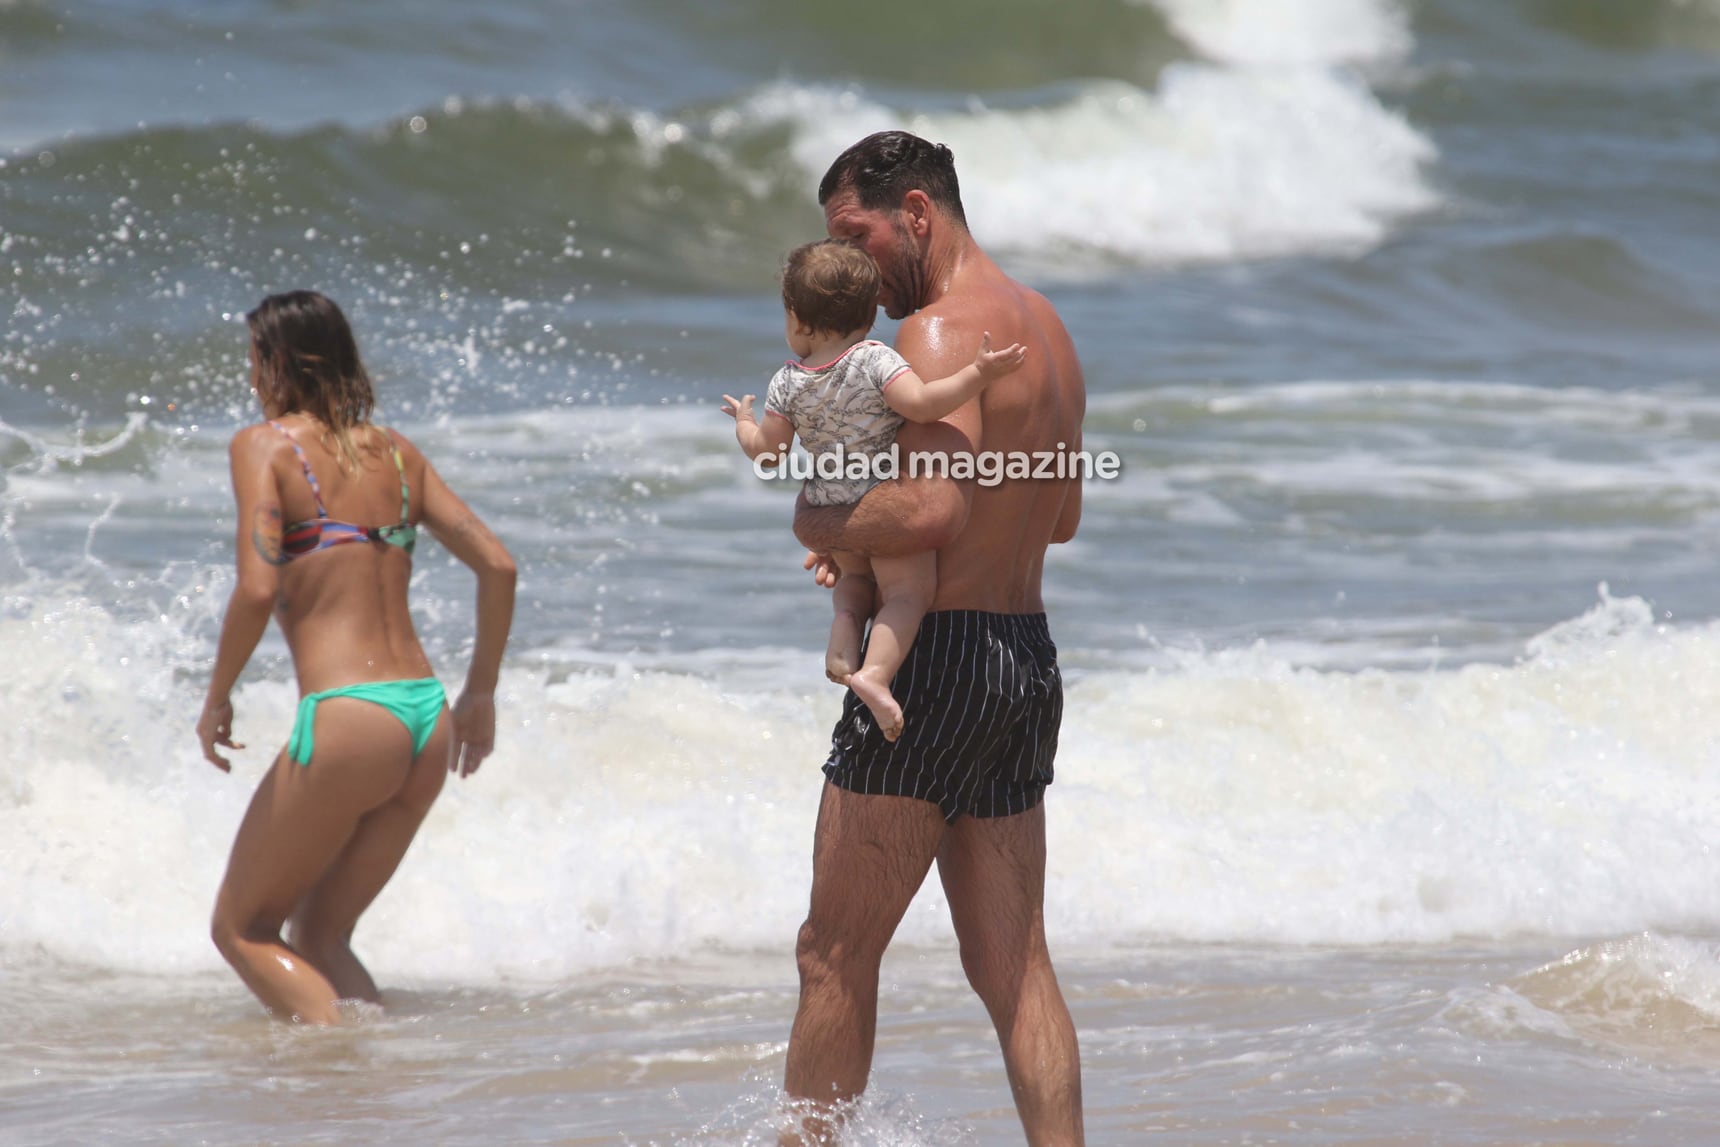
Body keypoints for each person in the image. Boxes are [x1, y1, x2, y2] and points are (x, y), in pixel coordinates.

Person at [781, 132, 1087, 1145]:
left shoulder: (936, 338)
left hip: (935, 663)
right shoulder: (1044, 329)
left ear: (916, 212)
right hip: (1023, 658)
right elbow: (1065, 515)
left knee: (833, 952)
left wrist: (822, 524)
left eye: (856, 236)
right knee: (1016, 963)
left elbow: (926, 515)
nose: (854, 268)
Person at [195, 290, 516, 1025]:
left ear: (280, 362)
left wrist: (217, 697)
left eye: (254, 359)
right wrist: (481, 695)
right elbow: (498, 565)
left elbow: (255, 587)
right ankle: (376, 1096)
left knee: (241, 928)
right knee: (322, 933)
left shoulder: (264, 445)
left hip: (347, 720)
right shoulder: (397, 453)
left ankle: (343, 1070)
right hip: (425, 720)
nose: (250, 377)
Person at [721, 239, 1025, 740]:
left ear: (796, 320)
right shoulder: (874, 359)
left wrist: (744, 421)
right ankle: (875, 675)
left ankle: (841, 654)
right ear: (867, 317)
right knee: (907, 592)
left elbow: (767, 453)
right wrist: (978, 373)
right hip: (878, 500)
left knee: (853, 588)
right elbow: (925, 404)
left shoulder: (786, 382)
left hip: (827, 504)